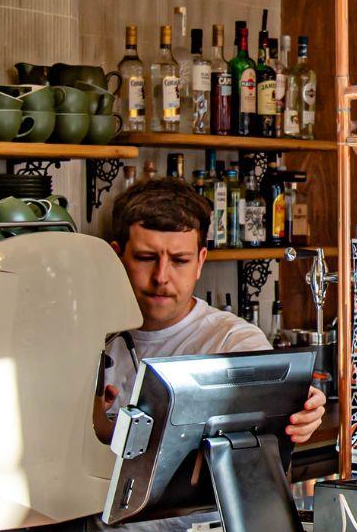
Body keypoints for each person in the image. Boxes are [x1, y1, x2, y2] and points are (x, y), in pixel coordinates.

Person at [91, 176, 326, 447]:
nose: (161, 277)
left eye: (180, 261)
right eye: (146, 258)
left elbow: (275, 405)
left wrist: (303, 411)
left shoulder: (232, 342)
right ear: (117, 257)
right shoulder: (88, 337)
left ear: (200, 261)